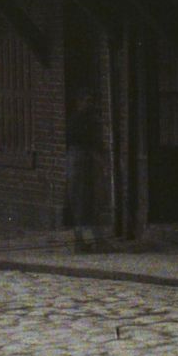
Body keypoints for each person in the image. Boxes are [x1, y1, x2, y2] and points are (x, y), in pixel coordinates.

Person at [66, 90, 101, 251]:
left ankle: (87, 239)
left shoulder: (87, 119)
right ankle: (80, 241)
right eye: (87, 101)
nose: (90, 104)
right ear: (79, 102)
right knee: (81, 201)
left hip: (82, 161)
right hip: (80, 161)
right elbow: (85, 141)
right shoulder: (79, 121)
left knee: (87, 201)